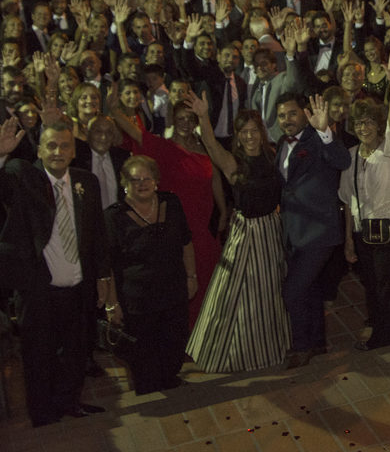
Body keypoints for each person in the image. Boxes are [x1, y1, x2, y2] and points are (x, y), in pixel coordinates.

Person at [0, 118, 111, 427]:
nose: (58, 151)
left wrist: (103, 278)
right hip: (38, 286)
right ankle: (43, 413)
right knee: (39, 355)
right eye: (51, 145)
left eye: (65, 145)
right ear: (39, 150)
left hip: (79, 285)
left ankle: (70, 402)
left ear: (74, 152)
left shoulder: (86, 182)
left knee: (77, 350)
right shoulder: (23, 177)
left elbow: (97, 235)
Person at [186, 102, 292, 372]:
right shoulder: (233, 163)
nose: (249, 136)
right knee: (234, 293)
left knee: (268, 294)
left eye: (254, 130)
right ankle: (230, 351)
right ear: (237, 135)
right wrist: (203, 114)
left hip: (270, 229)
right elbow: (210, 143)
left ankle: (267, 349)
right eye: (243, 131)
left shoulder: (273, 155)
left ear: (262, 131)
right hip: (245, 233)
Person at [108, 93, 226, 327]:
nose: (185, 123)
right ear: (173, 120)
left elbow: (215, 182)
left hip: (203, 231)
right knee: (180, 285)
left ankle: (207, 340)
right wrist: (113, 109)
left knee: (208, 283)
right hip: (175, 232)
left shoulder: (206, 150)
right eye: (180, 118)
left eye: (190, 119)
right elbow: (134, 132)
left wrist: (223, 212)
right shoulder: (162, 148)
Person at [103, 155, 195, 395]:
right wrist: (112, 304)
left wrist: (191, 276)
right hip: (137, 299)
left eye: (147, 178)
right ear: (124, 183)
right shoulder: (113, 217)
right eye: (135, 180)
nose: (142, 184)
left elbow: (186, 242)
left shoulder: (171, 203)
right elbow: (109, 264)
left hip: (173, 290)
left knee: (174, 340)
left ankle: (170, 381)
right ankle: (150, 391)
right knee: (144, 352)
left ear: (156, 181)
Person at [274, 91, 351, 368]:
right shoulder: (282, 144)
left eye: (292, 113)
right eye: (281, 115)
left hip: (319, 230)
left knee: (292, 291)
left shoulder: (317, 138)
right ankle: (317, 342)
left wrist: (325, 132)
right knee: (309, 290)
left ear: (305, 113)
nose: (286, 120)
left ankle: (302, 346)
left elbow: (342, 161)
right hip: (294, 230)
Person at [340, 51, 390, 351]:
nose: (364, 128)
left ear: (378, 124)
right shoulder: (351, 157)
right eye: (359, 124)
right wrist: (348, 240)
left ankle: (384, 336)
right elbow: (347, 201)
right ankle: (381, 330)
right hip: (363, 231)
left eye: (369, 122)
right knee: (372, 286)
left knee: (386, 288)